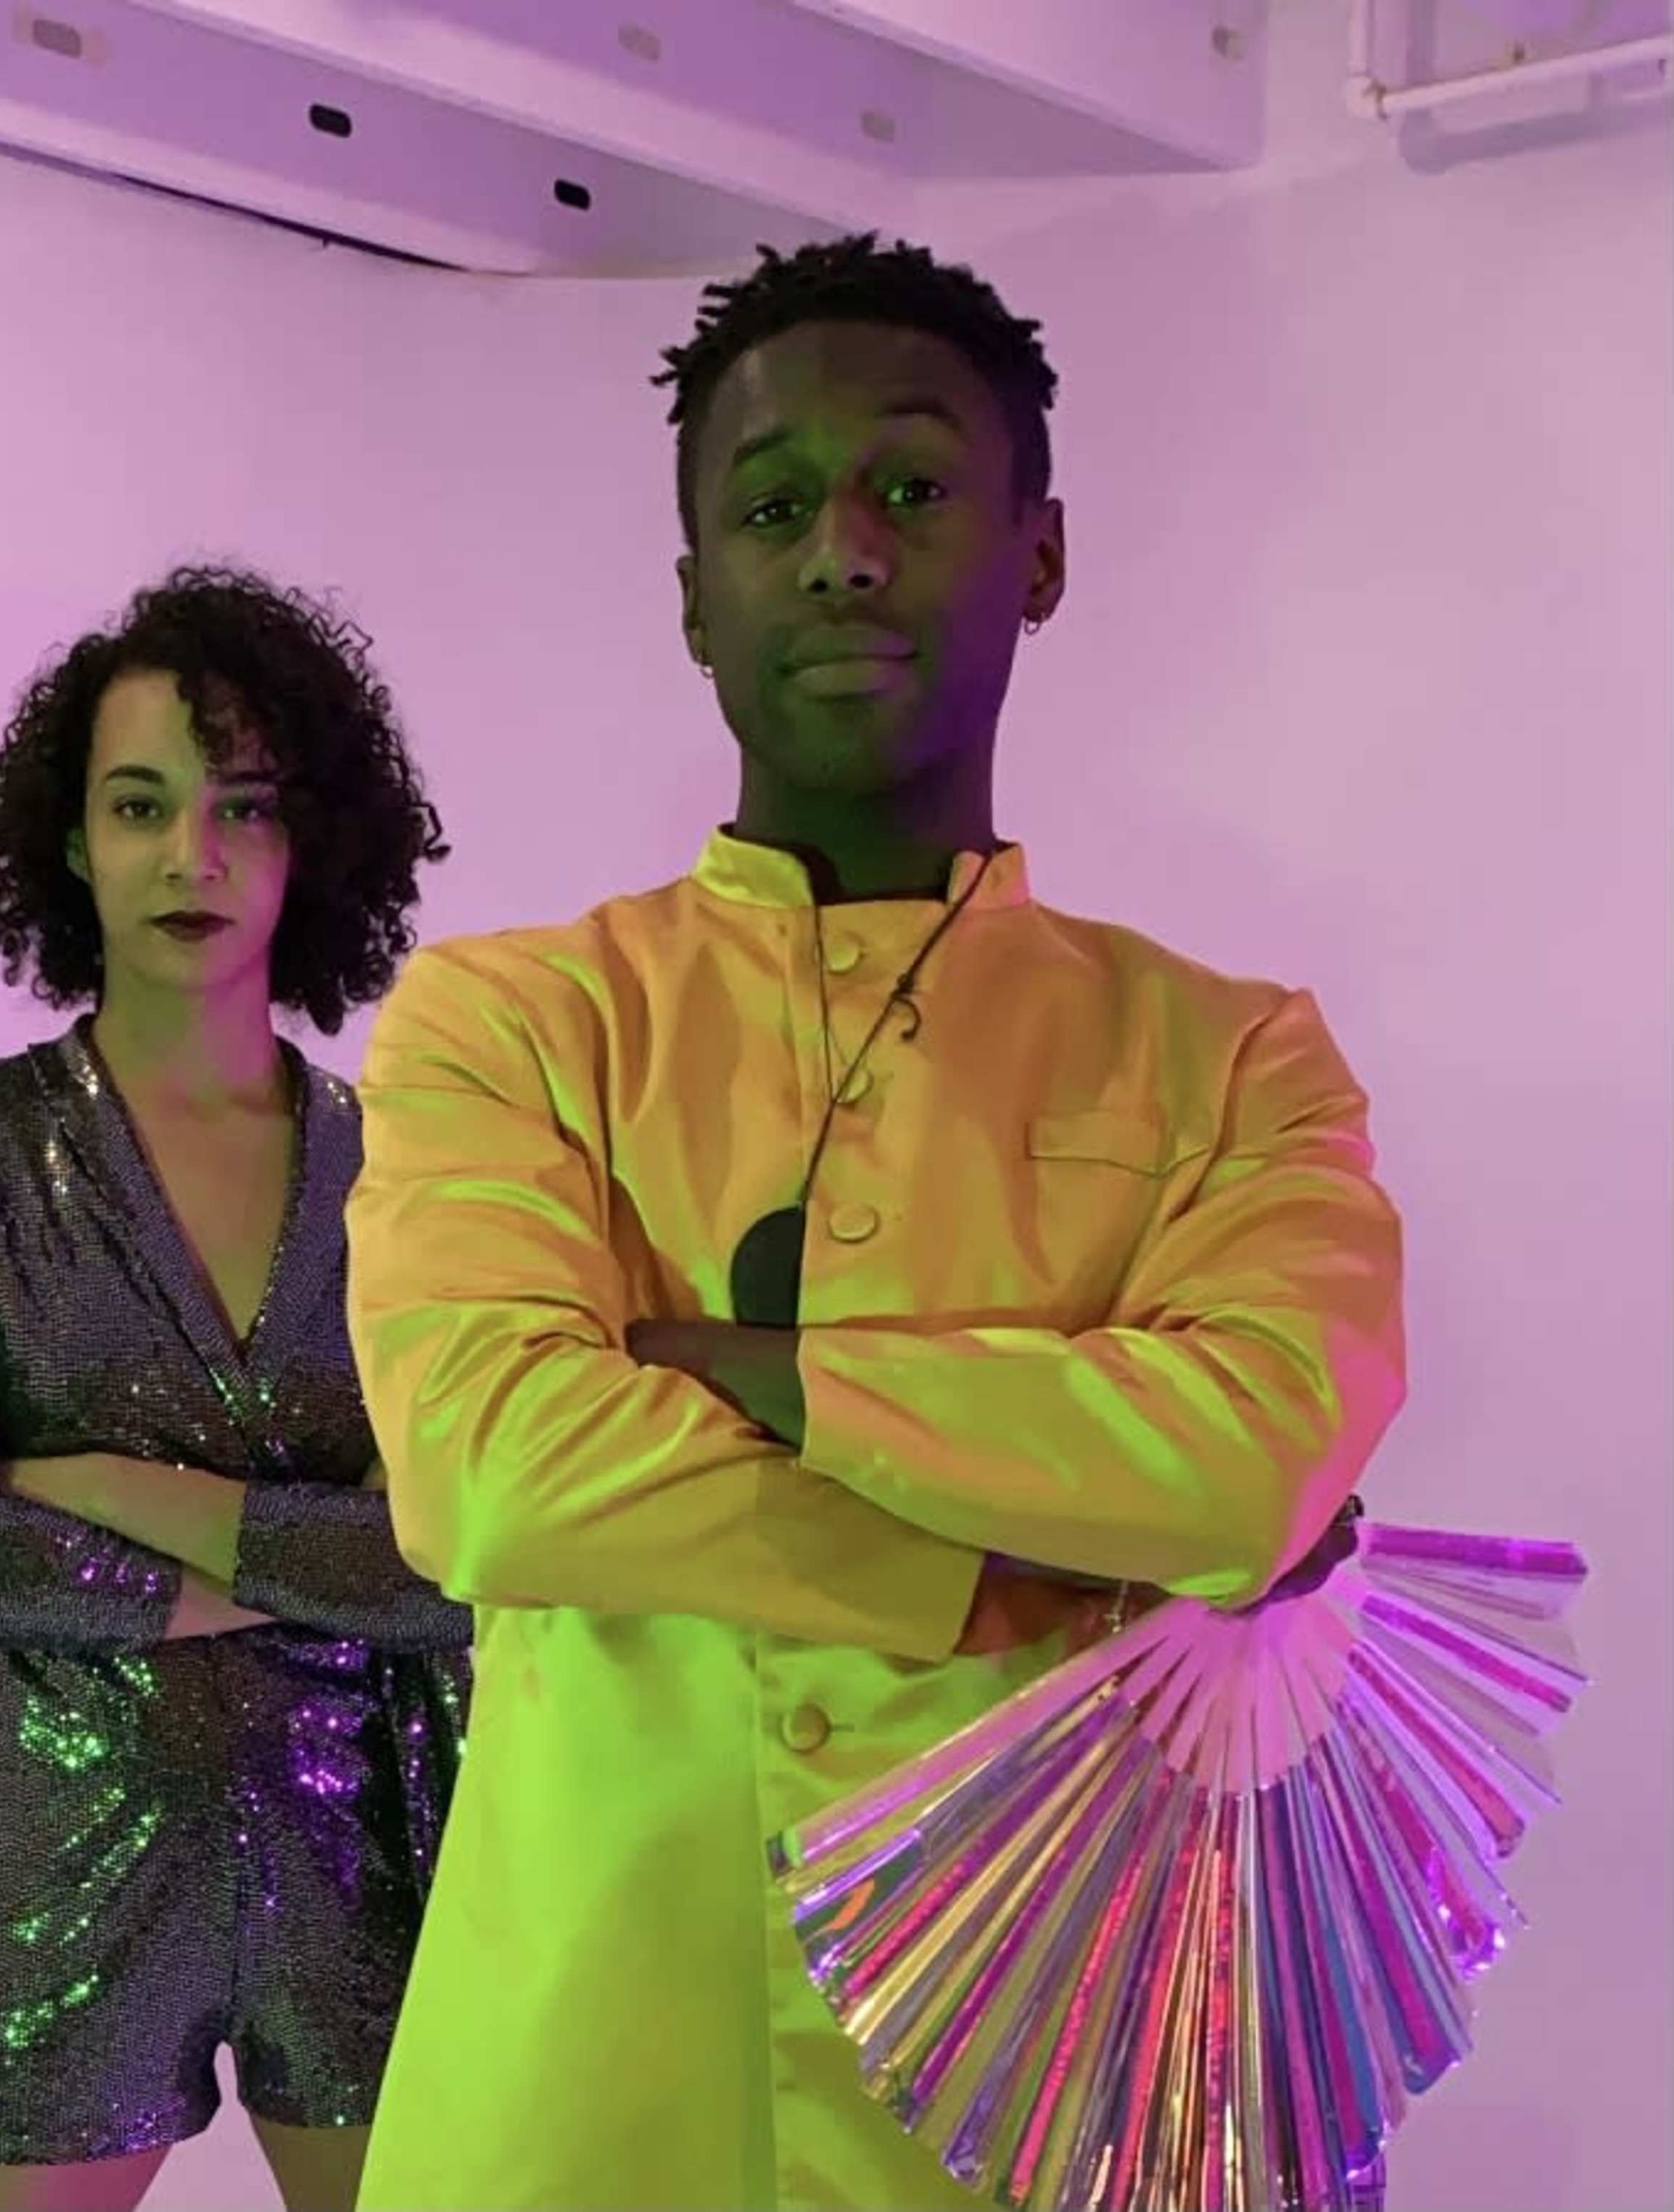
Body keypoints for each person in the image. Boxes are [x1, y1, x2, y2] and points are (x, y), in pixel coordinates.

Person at [341, 235, 1407, 2212]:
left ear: (1040, 552)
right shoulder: (515, 1018)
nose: (839, 548)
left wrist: (751, 1372)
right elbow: (493, 1480)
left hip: (1069, 2060)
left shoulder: (1235, 1052)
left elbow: (1257, 1452)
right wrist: (1060, 1520)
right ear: (694, 595)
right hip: (598, 2060)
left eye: (910, 487)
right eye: (769, 503)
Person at [0, 567, 469, 2212]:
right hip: (48, 1869)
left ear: (308, 840)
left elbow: (468, 1558)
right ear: (69, 837)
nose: (191, 854)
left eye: (242, 806)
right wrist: (333, 1562)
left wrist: (104, 1483)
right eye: (141, 804)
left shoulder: (410, 1164)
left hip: (379, 1858)